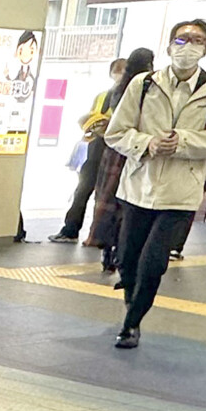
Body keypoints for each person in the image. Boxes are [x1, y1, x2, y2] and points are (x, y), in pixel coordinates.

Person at [102, 20, 206, 350]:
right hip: (138, 186)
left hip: (181, 192)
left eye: (197, 40)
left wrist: (184, 142)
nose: (188, 45)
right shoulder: (143, 83)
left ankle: (132, 323)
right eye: (182, 38)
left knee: (154, 262)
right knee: (129, 260)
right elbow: (116, 132)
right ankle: (132, 307)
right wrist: (148, 144)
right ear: (169, 45)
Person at [89, 47, 155, 266]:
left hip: (113, 152)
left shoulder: (117, 90)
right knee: (129, 204)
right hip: (135, 152)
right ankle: (120, 249)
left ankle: (106, 249)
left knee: (108, 200)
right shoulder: (148, 89)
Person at [53, 57, 129, 241]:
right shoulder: (103, 95)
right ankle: (71, 229)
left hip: (118, 150)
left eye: (123, 71)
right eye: (117, 71)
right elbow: (92, 119)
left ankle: (101, 236)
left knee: (108, 196)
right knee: (84, 189)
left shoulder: (132, 96)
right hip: (97, 146)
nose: (119, 75)